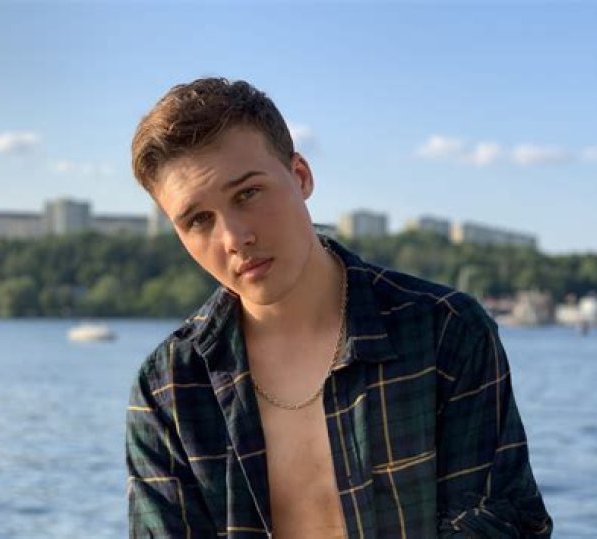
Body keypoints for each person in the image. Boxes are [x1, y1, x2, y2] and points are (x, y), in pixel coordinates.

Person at [126, 77, 552, 538]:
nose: (234, 238)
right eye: (198, 219)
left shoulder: (445, 331)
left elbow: (505, 520)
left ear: (301, 176)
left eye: (247, 194)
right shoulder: (169, 386)